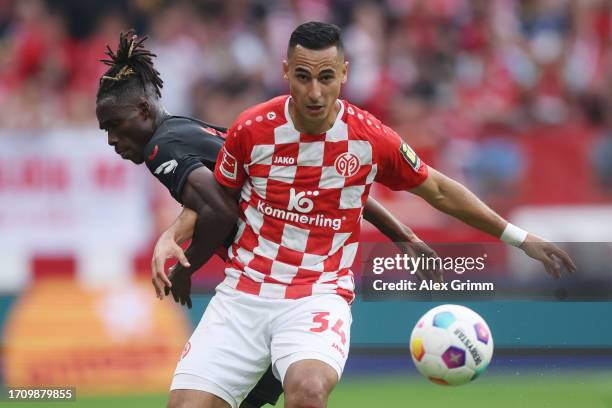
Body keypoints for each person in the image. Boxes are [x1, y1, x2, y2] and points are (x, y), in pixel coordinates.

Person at [161, 22, 576, 408]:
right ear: (286, 72)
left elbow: (438, 189)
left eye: (326, 78)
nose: (315, 93)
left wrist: (520, 238)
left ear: (344, 73)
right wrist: (172, 236)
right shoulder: (250, 129)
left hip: (318, 295)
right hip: (243, 295)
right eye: (303, 76)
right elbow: (216, 200)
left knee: (307, 391)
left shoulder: (369, 137)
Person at [95, 30, 440, 408]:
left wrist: (187, 269)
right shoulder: (192, 132)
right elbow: (329, 188)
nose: (112, 139)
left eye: (114, 125)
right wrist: (400, 234)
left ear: (143, 110)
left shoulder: (162, 149)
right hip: (262, 293)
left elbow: (221, 209)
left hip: (285, 290)